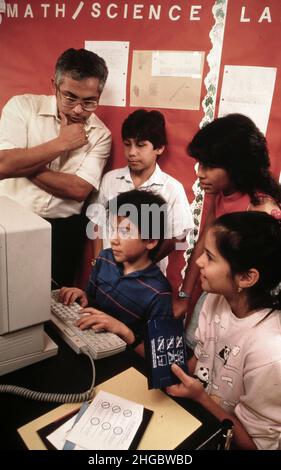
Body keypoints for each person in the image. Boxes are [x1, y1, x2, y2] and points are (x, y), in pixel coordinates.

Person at [167, 211, 281, 450]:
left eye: (209, 257)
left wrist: (201, 398)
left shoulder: (270, 353)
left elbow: (254, 447)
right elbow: (199, 362)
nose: (198, 262)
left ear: (247, 277)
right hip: (195, 420)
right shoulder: (213, 299)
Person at [0, 48, 112, 286]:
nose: (78, 110)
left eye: (89, 101)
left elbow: (78, 190)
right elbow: (3, 165)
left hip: (62, 233)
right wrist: (61, 144)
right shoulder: (22, 107)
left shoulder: (101, 134)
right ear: (55, 86)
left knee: (50, 306)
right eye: (70, 97)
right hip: (8, 222)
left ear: (99, 95)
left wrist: (24, 161)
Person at [173, 113, 281, 337]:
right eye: (200, 164)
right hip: (214, 290)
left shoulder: (261, 211)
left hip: (242, 312)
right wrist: (185, 296)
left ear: (237, 166)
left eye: (209, 166)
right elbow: (203, 241)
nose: (200, 174)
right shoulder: (221, 191)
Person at [59, 189, 174, 356]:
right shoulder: (105, 258)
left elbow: (160, 357)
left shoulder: (159, 292)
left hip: (125, 362)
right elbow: (91, 302)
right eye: (113, 229)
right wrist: (82, 296)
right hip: (92, 345)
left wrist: (123, 331)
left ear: (151, 241)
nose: (113, 239)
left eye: (125, 231)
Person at [90, 108, 193, 275]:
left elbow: (177, 236)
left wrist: (143, 266)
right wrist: (98, 263)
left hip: (147, 278)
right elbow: (97, 224)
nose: (132, 152)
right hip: (108, 272)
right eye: (127, 144)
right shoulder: (110, 180)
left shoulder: (171, 188)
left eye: (140, 145)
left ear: (159, 148)